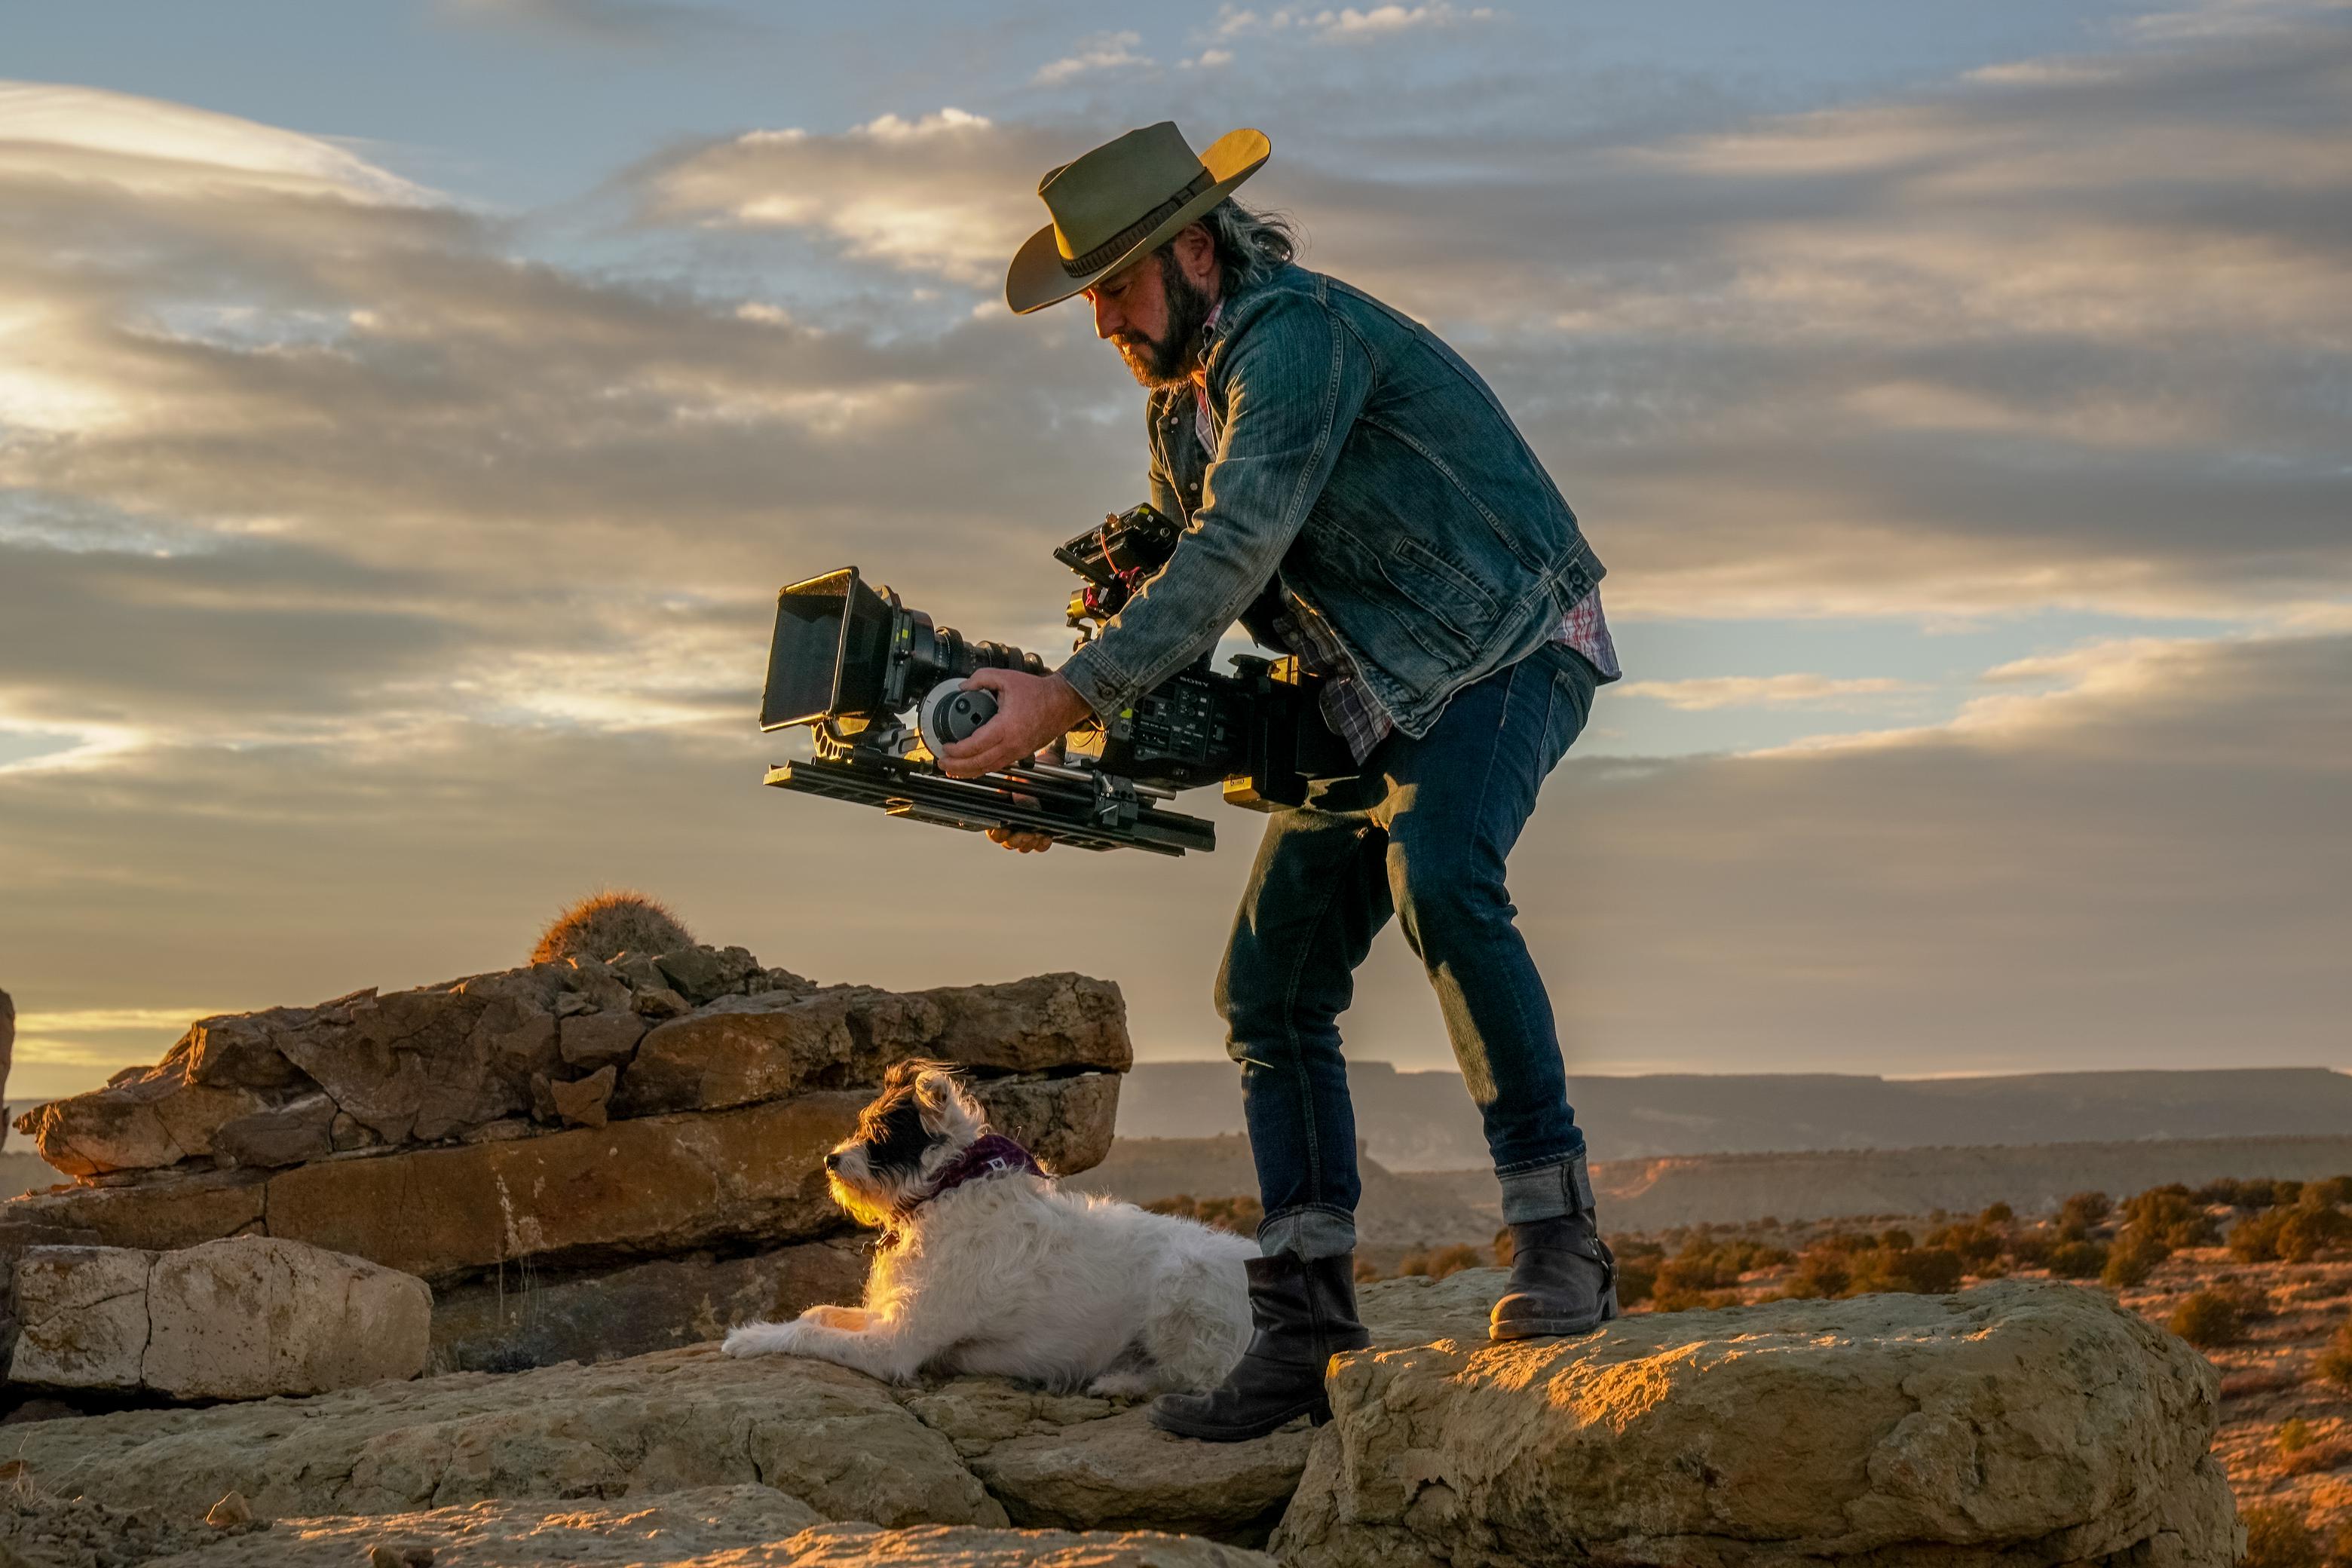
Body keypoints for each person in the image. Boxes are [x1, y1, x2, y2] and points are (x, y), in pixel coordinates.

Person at [934, 122, 1622, 1442]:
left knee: (1446, 879)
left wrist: (1070, 697)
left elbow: (1237, 552)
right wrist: (1063, 746)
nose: (1103, 326)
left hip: (1506, 644)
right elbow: (1185, 579)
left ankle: (1560, 1245)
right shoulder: (1177, 412)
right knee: (1269, 987)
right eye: (1088, 301)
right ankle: (1305, 1327)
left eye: (1117, 291)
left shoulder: (1292, 338)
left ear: (1196, 250)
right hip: (1366, 696)